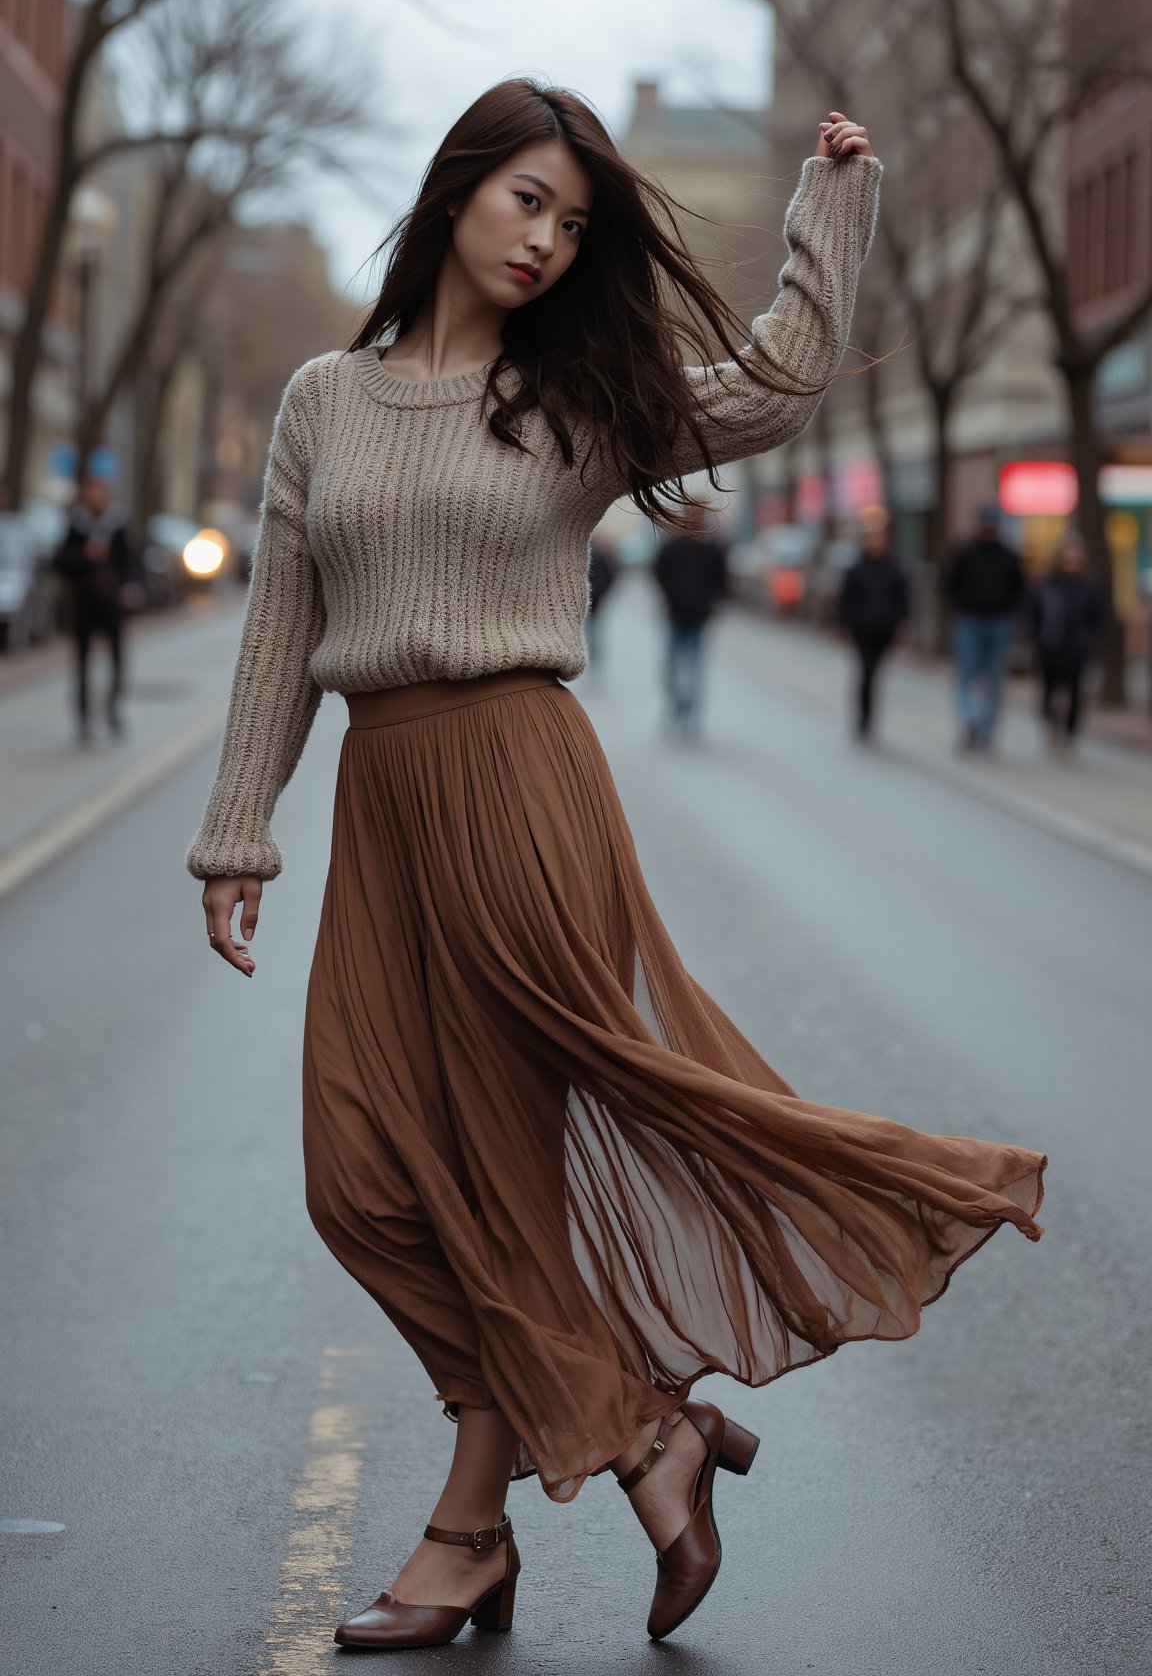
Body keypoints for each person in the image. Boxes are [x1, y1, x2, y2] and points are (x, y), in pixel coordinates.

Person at [185, 86, 1045, 1650]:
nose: (548, 238)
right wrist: (238, 828)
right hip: (384, 791)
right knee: (363, 1178)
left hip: (520, 783)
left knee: (504, 1176)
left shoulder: (572, 393)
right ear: (456, 192)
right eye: (528, 201)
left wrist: (829, 208)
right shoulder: (325, 397)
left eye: (574, 221)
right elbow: (279, 628)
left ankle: (470, 1532)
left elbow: (778, 387)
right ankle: (647, 1433)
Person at [52, 472, 141, 741]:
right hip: (83, 604)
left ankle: (112, 712)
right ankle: (83, 719)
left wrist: (131, 588)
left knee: (116, 659)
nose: (95, 498)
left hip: (112, 603)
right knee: (81, 663)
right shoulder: (76, 524)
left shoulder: (118, 524)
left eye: (99, 493)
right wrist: (84, 556)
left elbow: (131, 562)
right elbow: (60, 561)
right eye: (91, 493)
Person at [943, 501, 1026, 752]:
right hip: (969, 620)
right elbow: (948, 583)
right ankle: (970, 721)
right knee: (967, 673)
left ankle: (986, 729)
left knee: (994, 678)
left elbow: (1020, 588)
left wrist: (1009, 611)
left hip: (999, 622)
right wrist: (960, 606)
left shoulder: (1009, 556)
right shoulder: (965, 552)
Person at [652, 498, 729, 737]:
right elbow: (658, 573)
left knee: (688, 666)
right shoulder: (674, 546)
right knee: (675, 667)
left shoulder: (710, 548)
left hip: (696, 616)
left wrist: (712, 601)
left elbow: (722, 580)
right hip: (680, 614)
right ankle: (681, 709)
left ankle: (688, 715)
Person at [1028, 531, 1107, 750]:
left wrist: (1090, 642)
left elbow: (1098, 618)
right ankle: (1051, 724)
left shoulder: (1091, 586)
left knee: (1075, 692)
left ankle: (1070, 733)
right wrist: (1036, 639)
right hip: (1050, 646)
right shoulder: (1047, 584)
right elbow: (1033, 613)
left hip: (1077, 649)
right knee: (1049, 690)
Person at [835, 516, 909, 739]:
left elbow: (902, 599)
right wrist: (844, 625)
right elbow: (846, 600)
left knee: (875, 673)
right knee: (867, 672)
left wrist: (903, 623)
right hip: (862, 629)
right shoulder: (856, 569)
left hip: (884, 629)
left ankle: (869, 715)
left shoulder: (894, 569)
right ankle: (864, 717)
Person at [583, 529, 619, 674]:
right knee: (588, 630)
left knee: (595, 630)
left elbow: (611, 577)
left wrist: (602, 591)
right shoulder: (586, 557)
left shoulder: (604, 559)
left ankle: (594, 653)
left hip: (597, 601)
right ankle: (589, 652)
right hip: (586, 601)